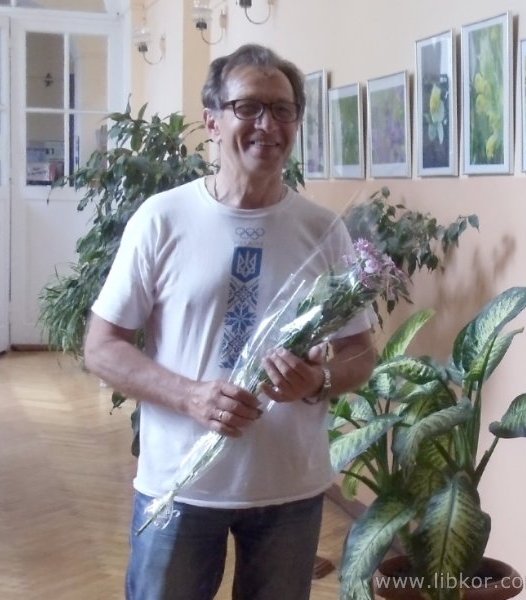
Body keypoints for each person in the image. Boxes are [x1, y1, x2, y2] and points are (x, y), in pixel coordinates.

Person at [84, 43, 377, 600]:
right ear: (213, 121)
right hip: (179, 483)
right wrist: (190, 395)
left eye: (283, 110)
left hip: (289, 485)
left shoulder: (323, 230)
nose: (268, 124)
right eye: (248, 107)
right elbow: (101, 346)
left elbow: (361, 352)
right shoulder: (162, 219)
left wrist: (317, 380)